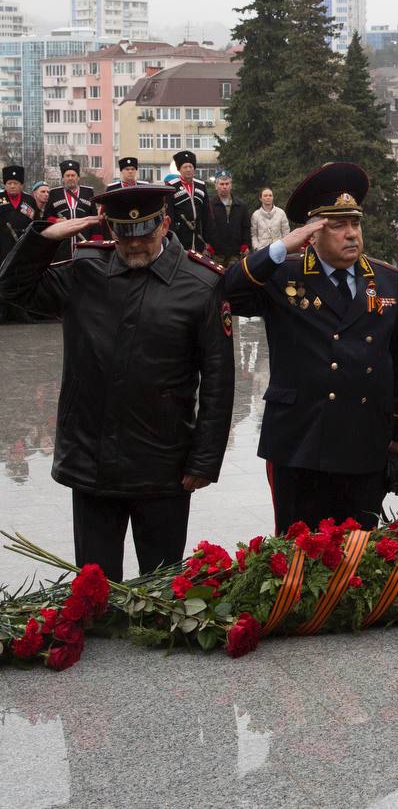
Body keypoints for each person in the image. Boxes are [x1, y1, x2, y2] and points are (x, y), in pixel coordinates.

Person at [0, 184, 234, 580]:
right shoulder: (85, 271)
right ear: (110, 230)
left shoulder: (202, 284)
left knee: (161, 593)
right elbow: (10, 291)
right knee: (94, 592)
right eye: (124, 234)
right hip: (92, 460)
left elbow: (218, 380)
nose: (134, 244)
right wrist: (41, 237)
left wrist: (205, 460)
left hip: (164, 465)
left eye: (144, 232)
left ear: (165, 224)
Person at [223, 162, 398, 533]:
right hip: (300, 442)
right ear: (312, 234)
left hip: (364, 440)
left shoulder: (389, 281)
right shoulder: (284, 275)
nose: (351, 235)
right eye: (337, 226)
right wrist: (281, 247)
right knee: (299, 557)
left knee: (360, 556)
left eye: (355, 224)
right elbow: (228, 292)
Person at [1, 165, 37, 323]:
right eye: (9, 183)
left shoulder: (29, 200)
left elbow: (35, 223)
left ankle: (21, 311)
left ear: (21, 184)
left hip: (23, 246)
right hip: (2, 246)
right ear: (4, 184)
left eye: (15, 183)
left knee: (21, 279)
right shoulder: (0, 199)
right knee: (3, 279)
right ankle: (2, 312)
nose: (12, 186)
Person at [45, 159, 99, 259]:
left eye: (73, 175)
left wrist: (96, 242)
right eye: (67, 176)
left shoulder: (88, 192)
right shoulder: (54, 194)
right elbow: (46, 218)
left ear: (78, 177)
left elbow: (95, 219)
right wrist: (57, 220)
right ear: (63, 178)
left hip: (85, 244)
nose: (70, 178)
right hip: (61, 247)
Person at [205, 172, 252, 268]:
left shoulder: (241, 205)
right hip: (216, 253)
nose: (224, 186)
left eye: (227, 184)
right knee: (216, 280)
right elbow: (206, 226)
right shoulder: (209, 205)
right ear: (216, 186)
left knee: (234, 280)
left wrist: (246, 245)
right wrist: (207, 244)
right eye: (222, 184)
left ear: (231, 185)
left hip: (236, 253)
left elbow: (246, 227)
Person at [167, 150, 207, 252]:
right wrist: (173, 238)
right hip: (180, 234)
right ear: (179, 169)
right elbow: (169, 214)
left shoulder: (201, 185)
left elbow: (207, 214)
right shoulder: (171, 186)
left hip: (198, 234)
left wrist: (209, 240)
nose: (188, 170)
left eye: (191, 167)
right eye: (185, 167)